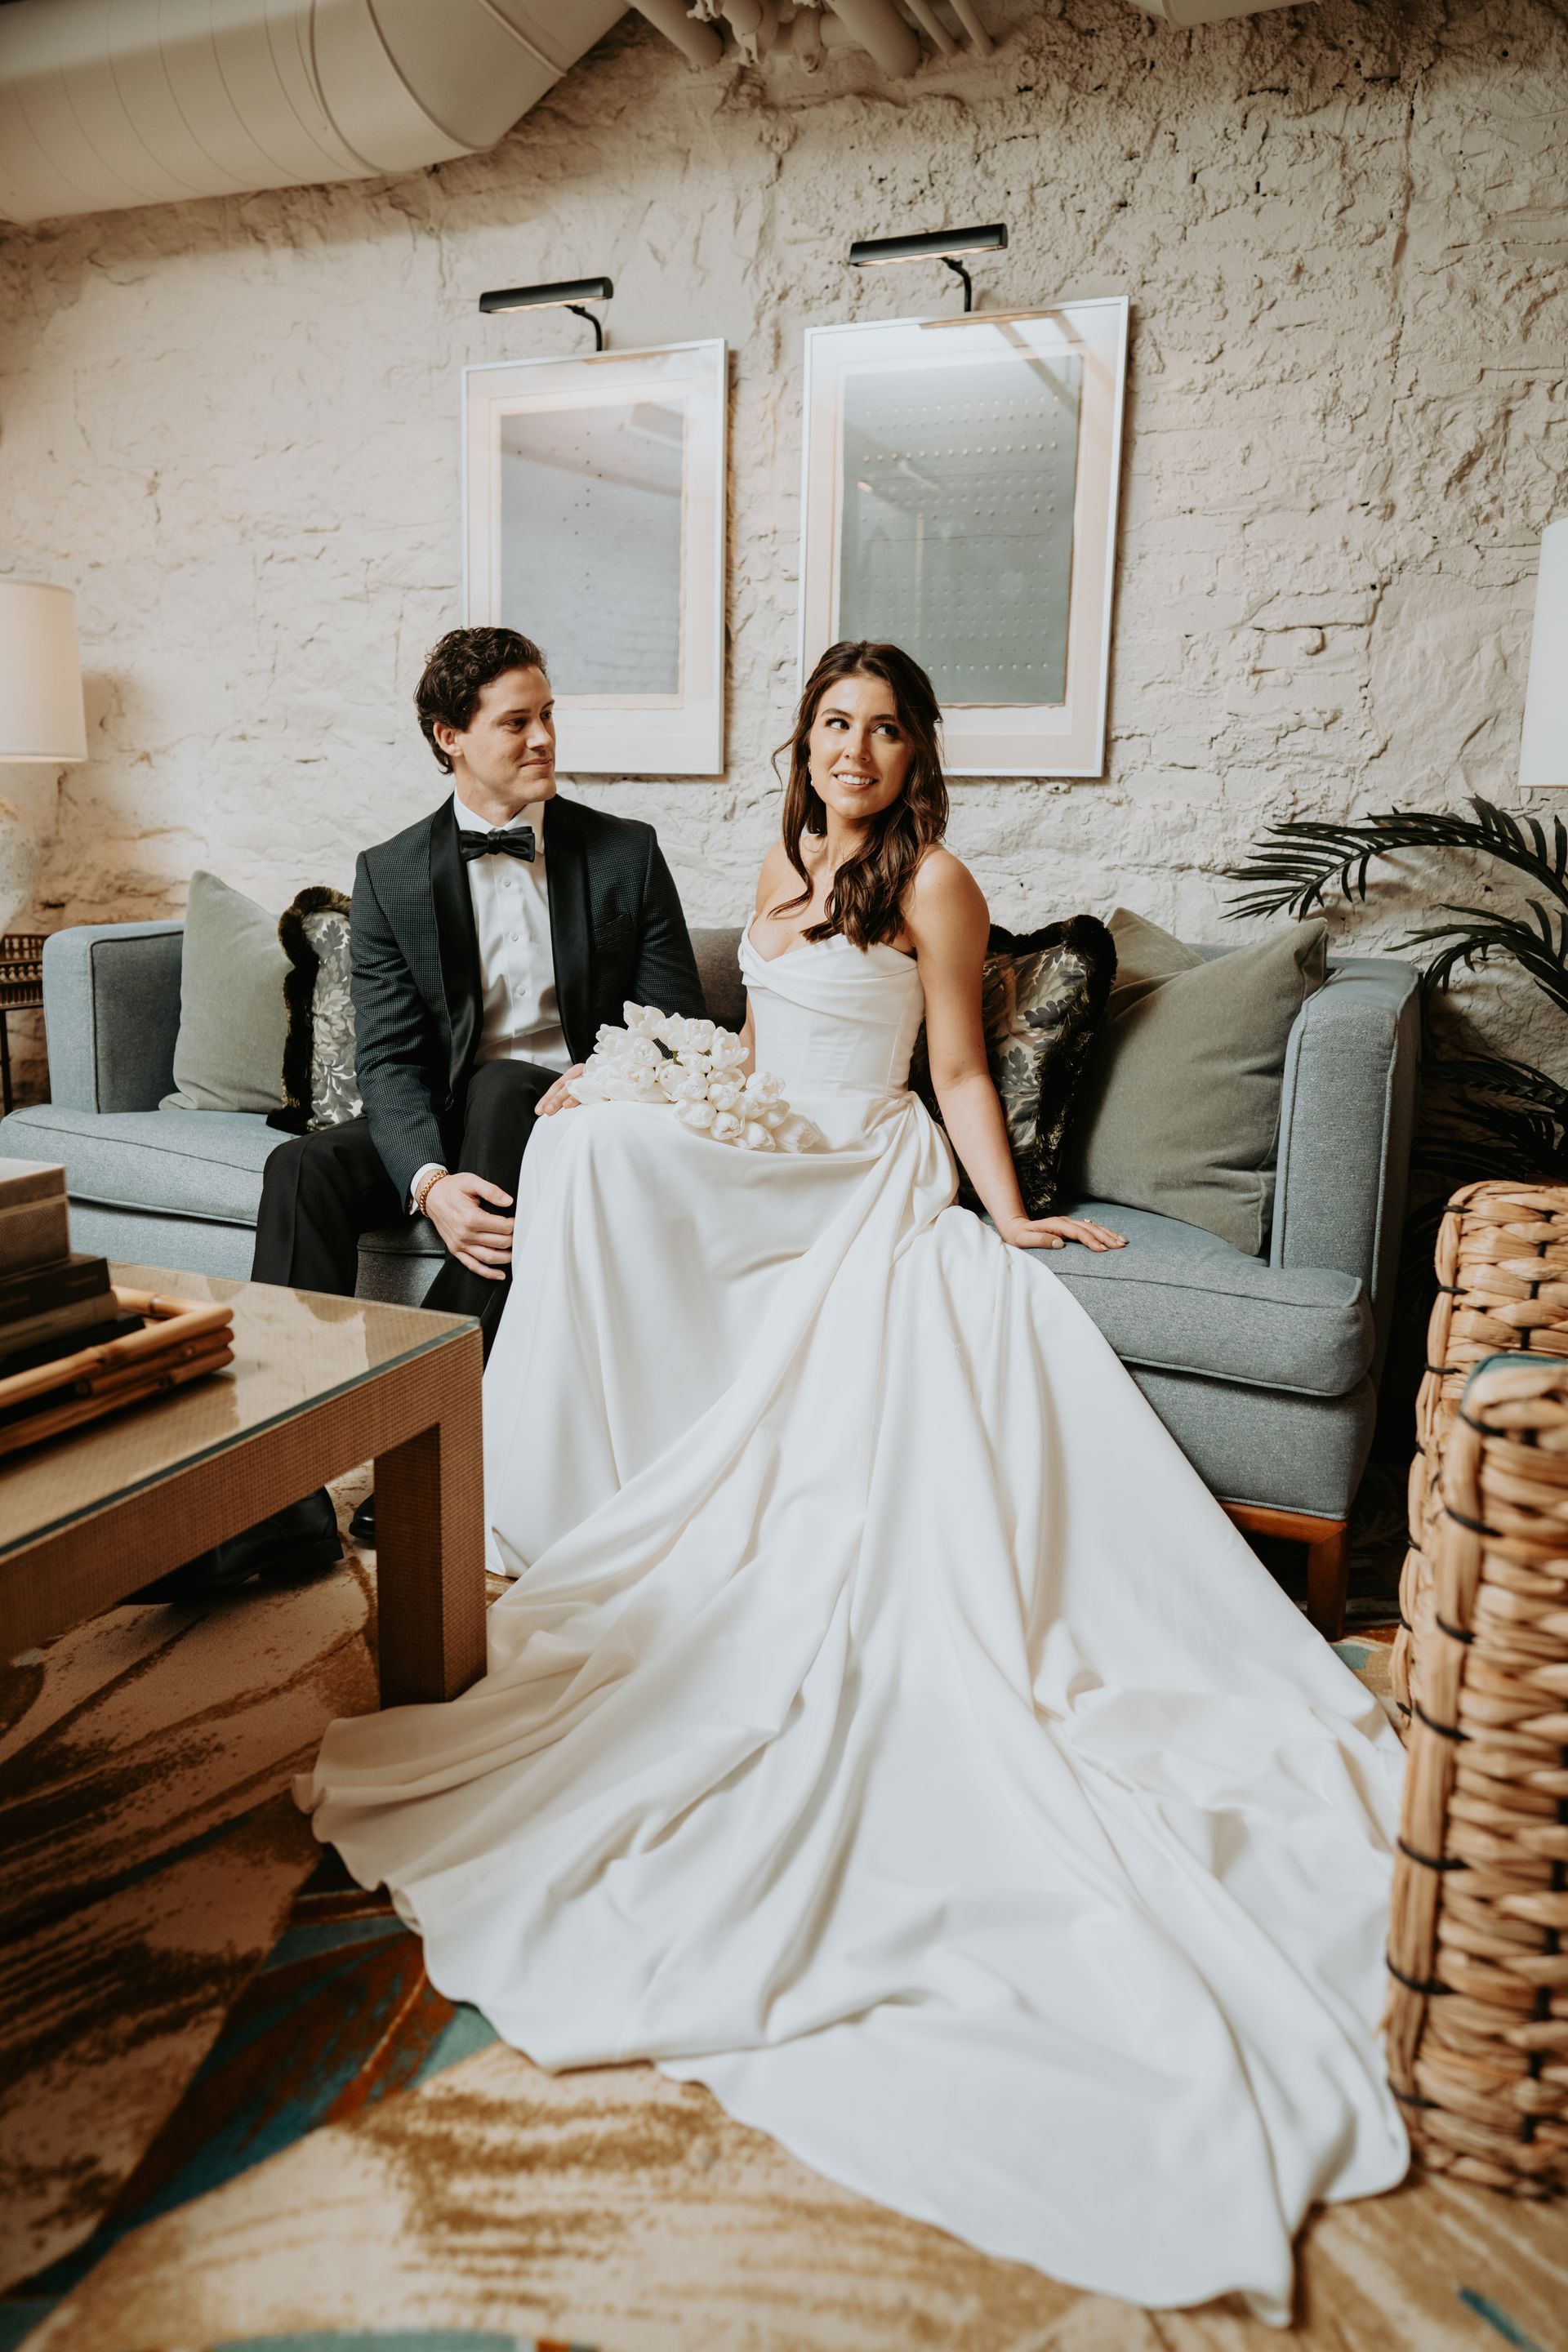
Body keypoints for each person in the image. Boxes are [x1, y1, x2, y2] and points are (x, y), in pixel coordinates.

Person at [297, 641, 1407, 2320]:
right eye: (834, 726)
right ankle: (564, 1474)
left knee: (783, 1252)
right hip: (772, 1142)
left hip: (863, 1167)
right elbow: (746, 1049)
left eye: (885, 732)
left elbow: (953, 1068)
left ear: (915, 754)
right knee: (586, 1140)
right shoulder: (779, 865)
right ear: (803, 744)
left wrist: (1011, 1211)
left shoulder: (939, 885)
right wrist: (645, 1088)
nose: (857, 752)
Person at [151, 626, 706, 1595]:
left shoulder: (623, 854)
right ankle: (276, 1506)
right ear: (450, 735)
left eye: (548, 717)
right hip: (449, 1121)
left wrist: (601, 1079)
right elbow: (393, 1060)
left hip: (580, 1116)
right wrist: (428, 1180)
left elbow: (675, 1025)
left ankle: (410, 1432)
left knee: (502, 1089)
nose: (544, 740)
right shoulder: (393, 872)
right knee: (300, 1171)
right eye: (516, 722)